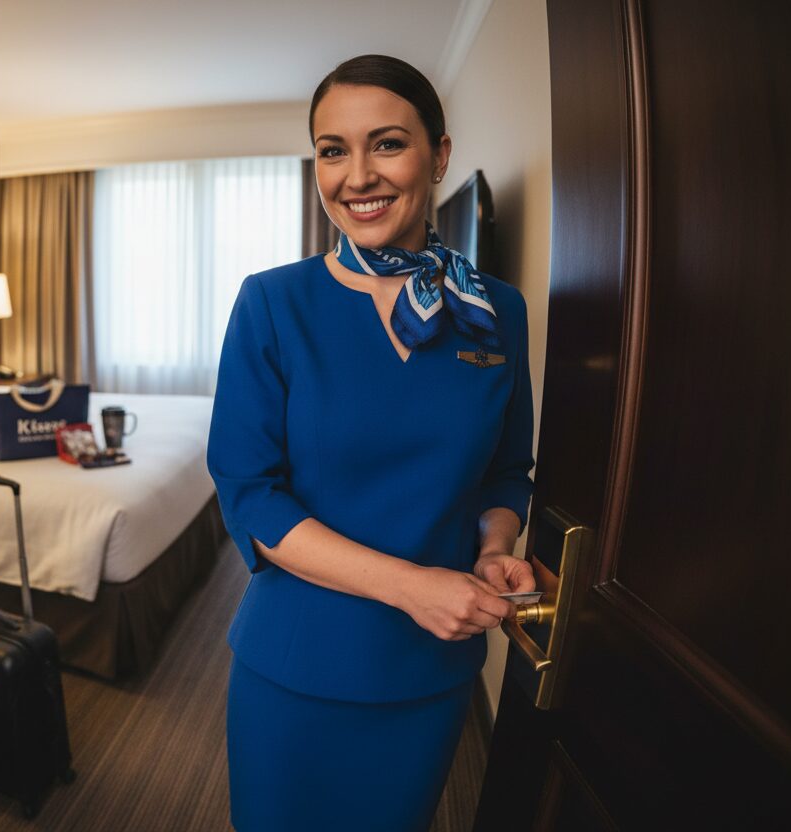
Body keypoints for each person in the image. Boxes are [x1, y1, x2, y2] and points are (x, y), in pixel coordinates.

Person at [206, 54, 537, 831]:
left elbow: (505, 472)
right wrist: (409, 586)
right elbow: (251, 497)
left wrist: (495, 546)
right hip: (296, 660)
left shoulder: (497, 311)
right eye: (333, 150)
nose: (357, 176)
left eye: (387, 143)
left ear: (439, 155)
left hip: (429, 670)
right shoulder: (272, 303)